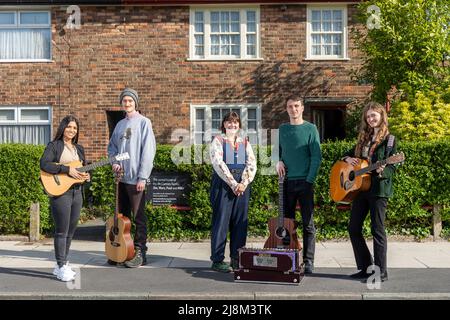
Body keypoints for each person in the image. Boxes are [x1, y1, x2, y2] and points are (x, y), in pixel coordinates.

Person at [342, 101, 397, 282]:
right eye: (368, 116)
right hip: (361, 189)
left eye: (374, 115)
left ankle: (381, 272)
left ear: (381, 116)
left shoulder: (390, 140)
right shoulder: (363, 138)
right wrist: (349, 158)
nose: (371, 118)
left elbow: (392, 167)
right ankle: (366, 267)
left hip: (378, 190)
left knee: (377, 230)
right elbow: (344, 156)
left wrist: (383, 170)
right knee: (353, 228)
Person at [107, 88, 156, 268]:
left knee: (139, 218)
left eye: (130, 101)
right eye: (124, 101)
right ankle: (123, 251)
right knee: (123, 218)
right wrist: (114, 162)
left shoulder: (144, 123)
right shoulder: (120, 125)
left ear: (135, 103)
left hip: (137, 180)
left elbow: (148, 151)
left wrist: (143, 177)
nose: (127, 103)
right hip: (121, 179)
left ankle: (141, 252)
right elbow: (112, 148)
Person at [276, 95, 322, 274]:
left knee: (308, 223)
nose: (293, 109)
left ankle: (309, 261)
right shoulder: (282, 129)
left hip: (305, 182)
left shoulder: (311, 129)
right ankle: (289, 256)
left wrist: (309, 180)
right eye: (290, 106)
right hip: (286, 182)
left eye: (296, 106)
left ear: (302, 108)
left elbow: (316, 157)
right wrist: (278, 161)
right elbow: (277, 152)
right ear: (286, 109)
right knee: (287, 222)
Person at [40, 115, 90, 282]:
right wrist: (66, 169)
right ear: (63, 128)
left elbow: (82, 169)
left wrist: (87, 176)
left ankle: (62, 263)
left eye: (75, 128)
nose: (72, 130)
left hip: (77, 193)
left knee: (71, 230)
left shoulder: (79, 148)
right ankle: (61, 266)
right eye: (69, 127)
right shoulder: (54, 146)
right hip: (61, 193)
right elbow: (44, 164)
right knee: (61, 231)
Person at [209, 112, 257, 272]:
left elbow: (251, 163)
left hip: (242, 187)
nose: (232, 125)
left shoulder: (245, 142)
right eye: (229, 122)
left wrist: (243, 183)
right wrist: (233, 183)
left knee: (240, 223)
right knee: (221, 222)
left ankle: (237, 258)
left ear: (239, 126)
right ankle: (217, 260)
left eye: (235, 123)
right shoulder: (217, 141)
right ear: (224, 125)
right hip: (223, 185)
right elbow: (218, 164)